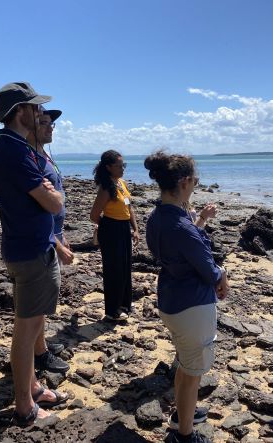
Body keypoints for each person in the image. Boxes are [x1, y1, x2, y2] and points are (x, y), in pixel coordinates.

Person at [0, 82, 69, 426]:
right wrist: (55, 198)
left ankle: (32, 386)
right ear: (19, 112)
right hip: (31, 251)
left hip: (29, 247)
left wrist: (51, 198)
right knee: (27, 330)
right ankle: (25, 405)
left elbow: (47, 198)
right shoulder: (13, 150)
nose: (40, 114)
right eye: (35, 108)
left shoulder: (15, 148)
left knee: (31, 324)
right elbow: (52, 202)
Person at [145, 151, 229, 443]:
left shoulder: (158, 216)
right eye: (195, 180)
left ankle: (184, 414)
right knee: (193, 371)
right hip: (192, 306)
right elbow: (207, 268)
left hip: (172, 300)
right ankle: (184, 434)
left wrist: (201, 220)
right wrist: (222, 275)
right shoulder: (180, 225)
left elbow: (183, 249)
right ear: (183, 182)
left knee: (184, 362)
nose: (196, 185)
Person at [26, 108, 72, 374]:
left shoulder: (45, 154)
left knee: (43, 302)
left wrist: (61, 234)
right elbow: (37, 211)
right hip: (43, 242)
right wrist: (57, 243)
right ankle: (39, 353)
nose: (50, 127)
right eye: (43, 123)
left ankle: (40, 345)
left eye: (51, 123)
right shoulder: (32, 159)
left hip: (53, 236)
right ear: (29, 125)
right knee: (38, 303)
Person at [89, 150, 139, 321]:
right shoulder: (106, 188)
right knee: (113, 270)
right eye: (119, 166)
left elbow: (129, 207)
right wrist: (108, 226)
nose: (123, 168)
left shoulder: (121, 183)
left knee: (125, 267)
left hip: (124, 228)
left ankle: (124, 303)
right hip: (111, 230)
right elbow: (94, 215)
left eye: (123, 165)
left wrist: (135, 229)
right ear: (109, 167)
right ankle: (112, 311)